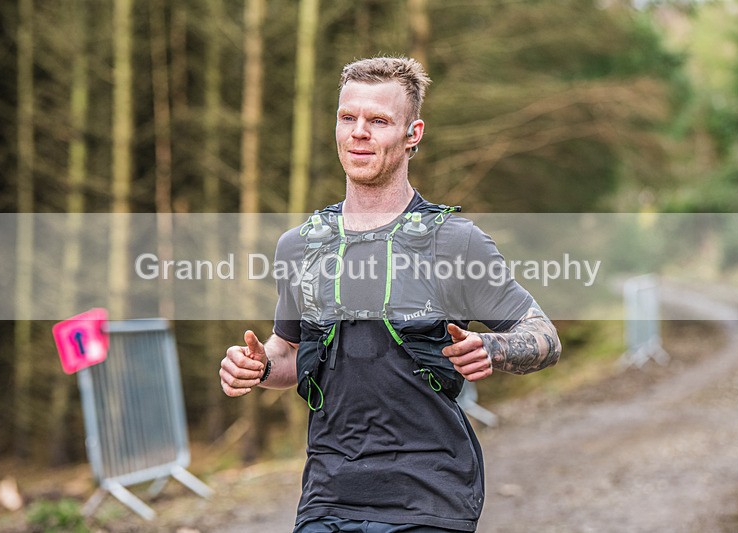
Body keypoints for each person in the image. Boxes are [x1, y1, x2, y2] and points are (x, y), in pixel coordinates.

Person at [220, 56, 561, 532]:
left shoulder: (454, 242)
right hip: (327, 496)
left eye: (378, 121)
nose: (359, 132)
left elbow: (544, 336)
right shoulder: (300, 246)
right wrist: (257, 367)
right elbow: (291, 354)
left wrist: (493, 346)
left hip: (431, 495)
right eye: (347, 118)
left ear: (412, 134)